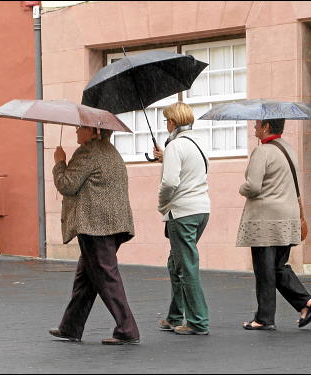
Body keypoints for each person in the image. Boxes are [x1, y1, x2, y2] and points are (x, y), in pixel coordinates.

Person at [49, 125, 140, 345]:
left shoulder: (88, 152)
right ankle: (70, 327)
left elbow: (67, 185)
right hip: (114, 224)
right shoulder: (111, 151)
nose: (77, 131)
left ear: (95, 132)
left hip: (95, 226)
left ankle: (128, 329)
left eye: (81, 127)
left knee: (106, 277)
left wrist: (60, 162)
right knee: (86, 278)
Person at [237, 118, 311, 331]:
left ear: (266, 127)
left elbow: (254, 187)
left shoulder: (262, 152)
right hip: (288, 215)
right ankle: (305, 302)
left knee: (265, 269)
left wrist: (242, 188)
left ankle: (264, 318)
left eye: (257, 124)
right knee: (278, 266)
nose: (254, 127)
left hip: (266, 218)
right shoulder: (288, 148)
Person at [153, 102, 211, 335]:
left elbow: (170, 182)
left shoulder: (176, 146)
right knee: (175, 263)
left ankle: (198, 321)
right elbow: (191, 171)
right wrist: (164, 158)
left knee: (186, 266)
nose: (166, 124)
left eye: (167, 120)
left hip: (182, 212)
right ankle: (175, 315)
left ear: (174, 122)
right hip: (201, 209)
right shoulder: (198, 143)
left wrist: (162, 203)